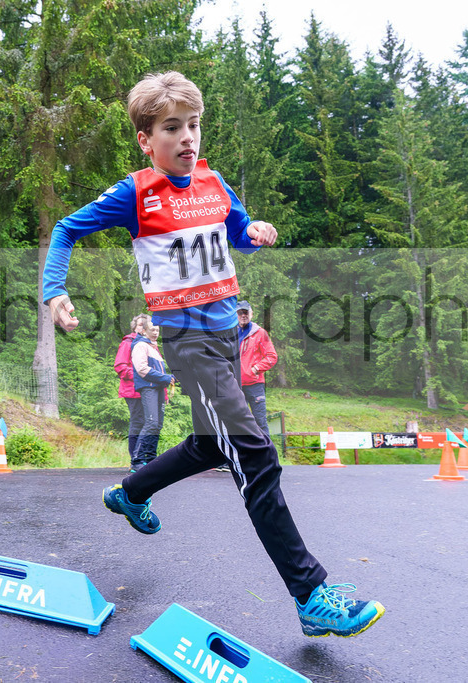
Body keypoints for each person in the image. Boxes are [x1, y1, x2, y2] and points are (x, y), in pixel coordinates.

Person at [42, 71, 384, 638]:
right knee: (255, 455)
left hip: (228, 335)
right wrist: (56, 289)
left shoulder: (213, 182)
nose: (187, 138)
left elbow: (238, 231)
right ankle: (311, 595)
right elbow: (64, 230)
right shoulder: (135, 194)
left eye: (194, 126)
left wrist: (258, 230)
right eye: (172, 128)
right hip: (189, 343)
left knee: (208, 445)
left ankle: (131, 493)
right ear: (146, 141)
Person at [130, 315, 173, 471]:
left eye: (157, 330)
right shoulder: (140, 345)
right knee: (151, 423)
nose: (155, 333)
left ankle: (151, 459)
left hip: (158, 388)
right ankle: (137, 460)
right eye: (152, 330)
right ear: (145, 331)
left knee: (157, 425)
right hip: (148, 387)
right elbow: (141, 369)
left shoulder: (153, 347)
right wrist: (166, 378)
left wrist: (167, 380)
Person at [237, 300, 278, 437]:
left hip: (255, 385)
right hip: (235, 385)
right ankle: (244, 454)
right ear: (235, 315)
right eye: (240, 313)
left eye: (246, 312)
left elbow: (272, 356)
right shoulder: (230, 334)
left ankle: (266, 455)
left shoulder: (260, 333)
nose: (243, 315)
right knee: (238, 422)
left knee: (260, 422)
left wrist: (255, 369)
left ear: (251, 314)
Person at [114, 315, 147, 471]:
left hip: (149, 392)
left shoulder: (150, 345)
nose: (143, 328)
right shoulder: (128, 343)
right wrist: (141, 376)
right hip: (133, 390)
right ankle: (135, 461)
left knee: (150, 424)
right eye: (140, 325)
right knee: (138, 422)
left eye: (145, 325)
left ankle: (143, 458)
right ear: (135, 327)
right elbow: (120, 367)